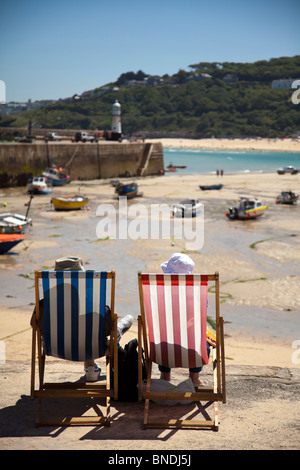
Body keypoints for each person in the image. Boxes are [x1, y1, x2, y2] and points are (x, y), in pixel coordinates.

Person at [31, 256, 134, 382]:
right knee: (106, 331)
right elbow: (108, 329)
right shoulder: (92, 306)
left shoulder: (45, 306)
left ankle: (91, 367)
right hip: (92, 348)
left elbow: (34, 325)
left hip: (55, 348)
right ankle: (118, 331)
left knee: (79, 327)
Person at [159, 252, 215, 386]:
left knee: (163, 334)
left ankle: (165, 375)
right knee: (200, 339)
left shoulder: (159, 292)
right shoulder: (197, 293)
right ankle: (194, 378)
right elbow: (202, 315)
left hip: (164, 349)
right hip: (194, 349)